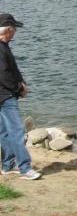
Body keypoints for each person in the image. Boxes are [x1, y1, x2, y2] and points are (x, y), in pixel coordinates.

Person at [0, 13, 41, 180]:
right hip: (6, 95)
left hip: (2, 94)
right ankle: (25, 168)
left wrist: (20, 84)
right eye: (14, 29)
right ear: (8, 30)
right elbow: (3, 74)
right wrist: (19, 88)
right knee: (17, 131)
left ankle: (8, 165)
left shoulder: (4, 46)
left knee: (4, 132)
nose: (15, 32)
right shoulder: (1, 48)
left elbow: (10, 71)